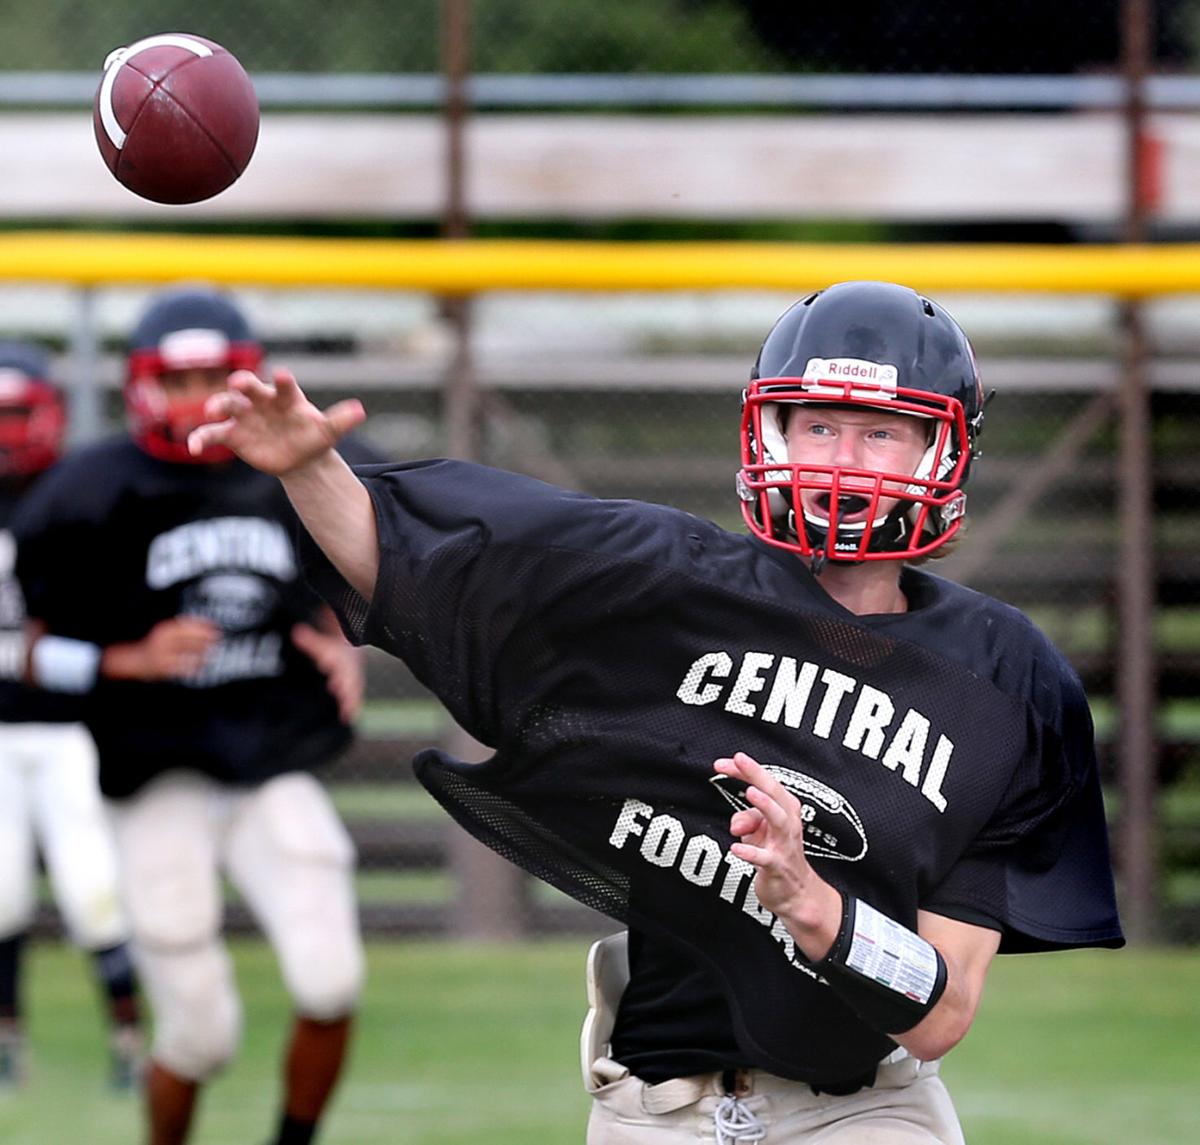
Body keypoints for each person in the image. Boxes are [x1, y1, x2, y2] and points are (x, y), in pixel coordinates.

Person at [187, 280, 1124, 1144]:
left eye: (880, 432)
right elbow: (422, 570)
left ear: (940, 450)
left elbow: (945, 1008)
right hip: (655, 1108)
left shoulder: (1008, 681)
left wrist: (816, 905)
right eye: (821, 426)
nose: (846, 458)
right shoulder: (671, 584)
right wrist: (310, 470)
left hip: (868, 1109)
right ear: (772, 436)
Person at [12, 289, 369, 1145]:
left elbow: (365, 561)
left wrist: (343, 631)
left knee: (330, 981)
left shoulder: (291, 460)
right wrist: (122, 659)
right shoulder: (83, 492)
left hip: (272, 758)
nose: (201, 396)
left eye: (218, 376)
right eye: (182, 379)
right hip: (155, 769)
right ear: (141, 387)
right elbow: (20, 644)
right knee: (199, 1034)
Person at [0, 342, 144, 1092]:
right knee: (2, 897)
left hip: (70, 730)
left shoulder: (81, 494)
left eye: (16, 413)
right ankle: (7, 1038)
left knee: (95, 895)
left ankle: (128, 1036)